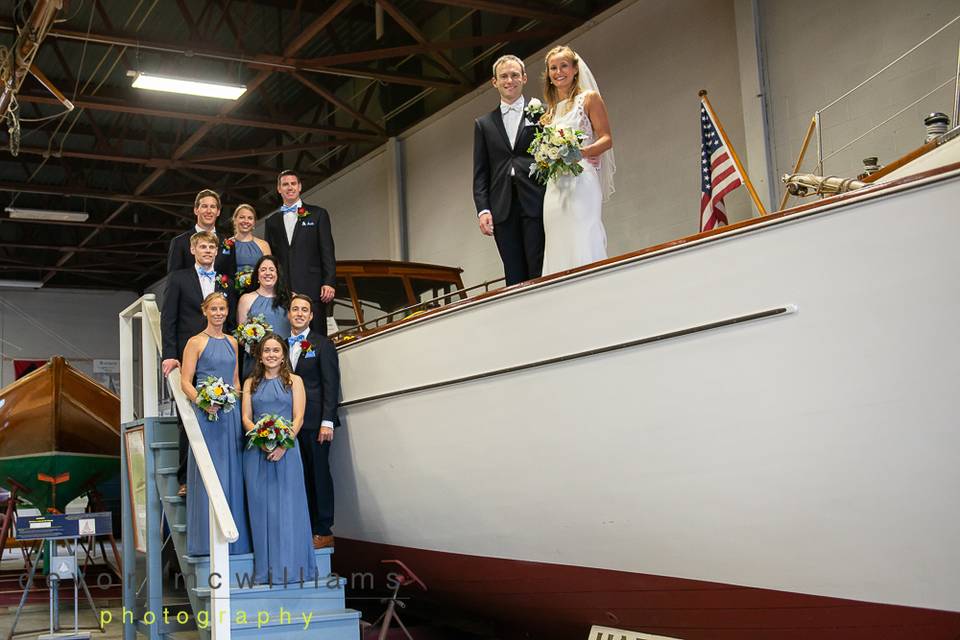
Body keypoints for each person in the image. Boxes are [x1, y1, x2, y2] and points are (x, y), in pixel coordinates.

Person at [161, 231, 236, 495]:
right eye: (202, 247)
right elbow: (168, 318)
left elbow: (232, 316)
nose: (207, 251)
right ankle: (185, 478)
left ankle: (222, 469)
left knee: (224, 410)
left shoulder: (224, 281)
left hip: (219, 353)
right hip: (188, 353)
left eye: (211, 247)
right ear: (193, 250)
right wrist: (170, 353)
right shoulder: (179, 278)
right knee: (188, 414)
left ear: (216, 252)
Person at [178, 293, 251, 556]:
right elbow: (185, 381)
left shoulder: (233, 342)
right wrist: (203, 402)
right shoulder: (195, 342)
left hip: (230, 414)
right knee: (211, 469)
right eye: (214, 309)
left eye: (222, 309)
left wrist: (240, 409)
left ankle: (233, 539)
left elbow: (236, 380)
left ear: (227, 311)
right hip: (207, 414)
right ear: (205, 311)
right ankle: (206, 539)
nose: (218, 313)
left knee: (231, 469)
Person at [241, 334, 317, 584]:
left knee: (287, 507)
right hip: (257, 453)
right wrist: (261, 439)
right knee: (262, 510)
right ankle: (266, 570)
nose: (271, 354)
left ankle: (292, 569)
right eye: (266, 351)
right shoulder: (250, 382)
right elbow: (246, 418)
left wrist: (283, 444)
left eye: (276, 350)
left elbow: (299, 418)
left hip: (287, 451)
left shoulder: (295, 381)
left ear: (283, 355)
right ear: (260, 356)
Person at [539, 46, 615, 275]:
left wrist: (583, 152)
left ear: (574, 69)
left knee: (583, 232)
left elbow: (607, 139)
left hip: (582, 179)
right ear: (549, 75)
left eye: (564, 66)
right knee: (557, 238)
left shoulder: (589, 99)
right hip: (555, 186)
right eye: (553, 68)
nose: (558, 71)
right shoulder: (549, 114)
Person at [472, 54, 546, 286]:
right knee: (513, 274)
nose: (509, 80)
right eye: (503, 76)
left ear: (524, 78)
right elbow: (481, 171)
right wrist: (483, 209)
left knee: (539, 266)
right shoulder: (483, 124)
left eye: (514, 75)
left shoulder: (542, 113)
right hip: (502, 206)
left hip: (537, 199)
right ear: (494, 82)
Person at [287, 293, 340, 549]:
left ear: (311, 315)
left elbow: (332, 384)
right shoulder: (280, 345)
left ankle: (323, 530)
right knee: (300, 476)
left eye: (304, 310)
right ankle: (305, 527)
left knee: (319, 475)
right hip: (290, 424)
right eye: (295, 309)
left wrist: (327, 421)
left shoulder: (322, 344)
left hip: (316, 423)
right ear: (288, 314)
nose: (299, 313)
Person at [265, 170, 336, 330]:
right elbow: (272, 259)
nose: (289, 187)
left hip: (314, 287)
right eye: (285, 184)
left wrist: (329, 281)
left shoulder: (318, 214)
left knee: (316, 335)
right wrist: (277, 288)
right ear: (279, 189)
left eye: (293, 184)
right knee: (285, 335)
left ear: (300, 187)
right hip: (285, 291)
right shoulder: (272, 221)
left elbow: (327, 250)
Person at [237, 255, 291, 379]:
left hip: (284, 360)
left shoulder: (290, 298)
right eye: (263, 269)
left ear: (278, 274)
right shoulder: (246, 299)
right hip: (255, 361)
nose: (268, 273)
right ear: (257, 275)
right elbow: (240, 336)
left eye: (272, 269)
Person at [168, 189, 228, 273]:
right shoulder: (179, 242)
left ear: (218, 212)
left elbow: (230, 274)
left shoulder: (226, 243)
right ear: (196, 210)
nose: (209, 211)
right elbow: (173, 280)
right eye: (204, 206)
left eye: (213, 207)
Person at [226, 203, 271, 293]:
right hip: (232, 293)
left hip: (258, 292)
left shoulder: (264, 245)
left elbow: (270, 271)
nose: (246, 221)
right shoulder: (226, 244)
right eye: (242, 217)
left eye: (250, 218)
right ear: (234, 220)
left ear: (254, 222)